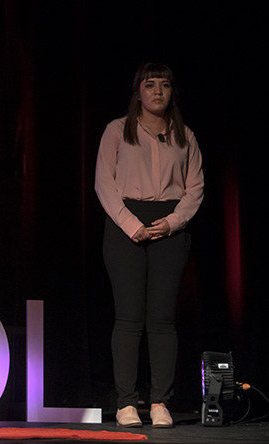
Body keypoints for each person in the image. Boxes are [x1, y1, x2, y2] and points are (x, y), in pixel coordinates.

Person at [95, 62, 204, 429]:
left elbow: (195, 189)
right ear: (137, 91)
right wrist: (131, 224)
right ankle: (127, 402)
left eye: (165, 85)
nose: (158, 91)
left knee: (161, 319)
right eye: (150, 84)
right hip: (126, 223)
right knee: (128, 318)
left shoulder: (185, 136)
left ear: (173, 92)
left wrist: (172, 223)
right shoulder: (116, 131)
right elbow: (103, 184)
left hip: (169, 228)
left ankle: (159, 402)